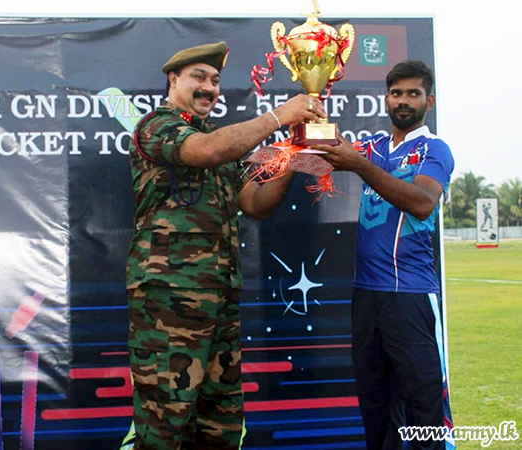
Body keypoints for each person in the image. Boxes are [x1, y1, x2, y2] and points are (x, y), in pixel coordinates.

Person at [125, 41, 326, 450]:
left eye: (215, 81)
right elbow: (207, 150)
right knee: (164, 425)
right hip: (169, 306)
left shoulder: (220, 145)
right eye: (199, 77)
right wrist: (279, 114)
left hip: (219, 304)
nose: (209, 88)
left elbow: (255, 203)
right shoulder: (158, 126)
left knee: (220, 425)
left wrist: (291, 151)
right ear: (173, 80)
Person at [314, 60, 455, 450]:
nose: (404, 101)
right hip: (367, 299)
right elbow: (322, 146)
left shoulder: (434, 149)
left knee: (423, 413)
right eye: (396, 93)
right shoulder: (373, 147)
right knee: (375, 411)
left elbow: (424, 203)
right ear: (386, 99)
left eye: (413, 93)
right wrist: (308, 112)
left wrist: (359, 166)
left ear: (430, 101)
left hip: (410, 296)